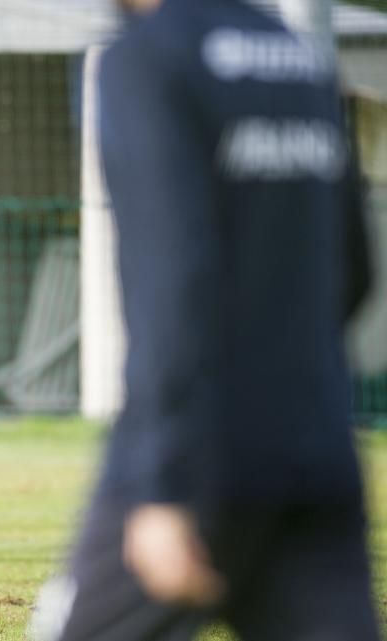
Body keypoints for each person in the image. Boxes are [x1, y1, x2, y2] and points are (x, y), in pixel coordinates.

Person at [31, 1, 380, 640]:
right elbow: (354, 271)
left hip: (198, 458)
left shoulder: (148, 59)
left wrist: (162, 486)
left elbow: (173, 282)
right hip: (318, 452)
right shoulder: (301, 58)